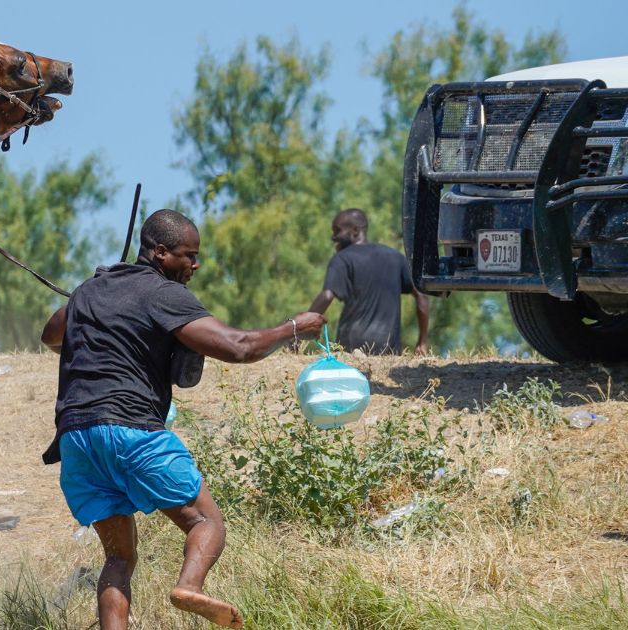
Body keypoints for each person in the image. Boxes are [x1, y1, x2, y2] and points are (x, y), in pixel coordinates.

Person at [40, 209, 326, 630]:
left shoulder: (90, 289)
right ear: (159, 252)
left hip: (76, 439)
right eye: (188, 256)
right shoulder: (165, 295)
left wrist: (96, 299)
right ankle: (189, 586)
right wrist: (293, 328)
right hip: (132, 429)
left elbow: (51, 335)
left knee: (119, 557)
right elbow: (240, 347)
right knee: (206, 521)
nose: (195, 265)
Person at [309, 208, 429, 355]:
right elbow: (421, 295)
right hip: (388, 350)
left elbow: (327, 296)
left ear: (355, 230)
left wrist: (299, 329)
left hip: (351, 346)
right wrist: (422, 341)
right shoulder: (396, 257)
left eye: (337, 231)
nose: (333, 238)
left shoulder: (342, 259)